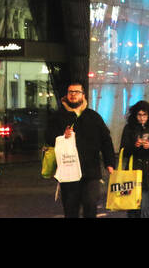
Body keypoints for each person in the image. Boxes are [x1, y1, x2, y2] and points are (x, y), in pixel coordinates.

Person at [47, 81, 116, 218]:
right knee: (70, 209)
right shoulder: (58, 116)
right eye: (70, 92)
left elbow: (106, 140)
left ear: (83, 95)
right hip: (68, 171)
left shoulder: (93, 116)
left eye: (76, 92)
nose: (73, 95)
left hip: (90, 171)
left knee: (90, 205)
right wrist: (61, 135)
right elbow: (48, 138)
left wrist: (110, 163)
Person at [119, 101, 149, 217]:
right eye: (139, 115)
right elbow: (123, 151)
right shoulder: (129, 128)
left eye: (144, 115)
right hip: (135, 173)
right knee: (143, 209)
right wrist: (134, 146)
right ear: (135, 115)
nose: (142, 118)